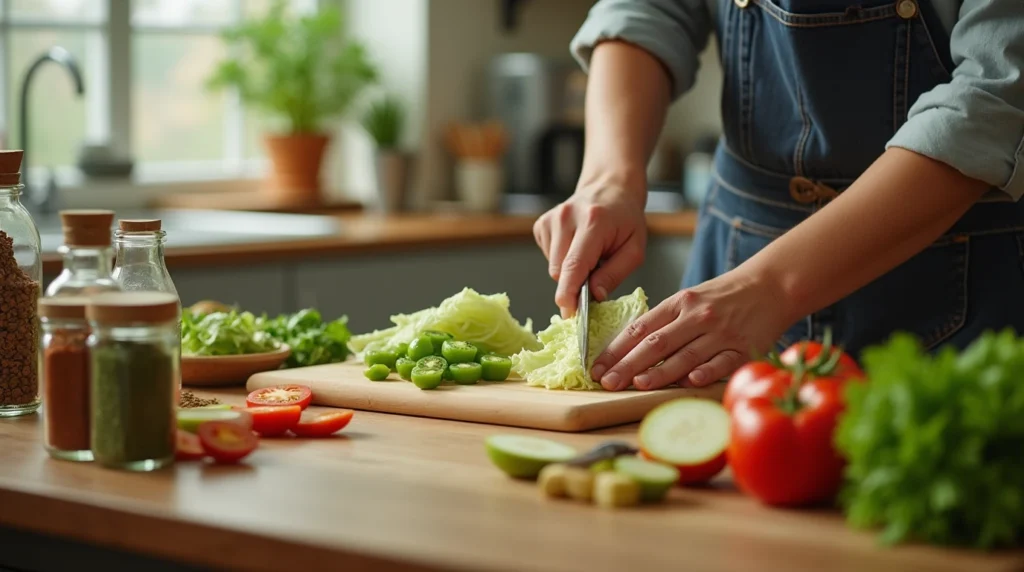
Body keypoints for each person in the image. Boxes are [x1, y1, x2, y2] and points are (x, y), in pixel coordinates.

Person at [533, 0, 1024, 392]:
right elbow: (650, 9)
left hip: (959, 292)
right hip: (735, 258)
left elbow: (990, 99)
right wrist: (609, 179)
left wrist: (770, 288)